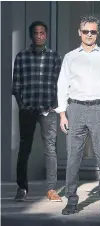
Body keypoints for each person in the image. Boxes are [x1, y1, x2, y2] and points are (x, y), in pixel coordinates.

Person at [56, 16, 100, 216]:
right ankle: (71, 200)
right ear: (79, 32)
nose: (89, 35)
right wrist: (62, 113)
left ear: (97, 33)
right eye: (86, 32)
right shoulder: (70, 57)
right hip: (75, 109)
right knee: (73, 158)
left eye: (93, 31)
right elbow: (61, 85)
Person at [12, 21, 62, 202]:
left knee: (51, 149)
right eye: (36, 33)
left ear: (46, 36)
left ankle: (51, 189)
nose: (39, 36)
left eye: (42, 33)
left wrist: (56, 105)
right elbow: (16, 85)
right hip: (28, 109)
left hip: (48, 110)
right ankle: (22, 187)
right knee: (24, 148)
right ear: (31, 36)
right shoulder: (21, 56)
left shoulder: (54, 57)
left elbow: (60, 84)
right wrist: (22, 104)